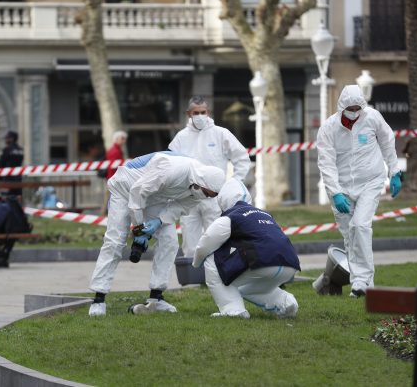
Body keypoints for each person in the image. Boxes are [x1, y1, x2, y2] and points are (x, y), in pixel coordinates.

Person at [89, 151, 226, 316]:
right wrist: (139, 229)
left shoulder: (202, 187)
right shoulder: (172, 170)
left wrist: (159, 221)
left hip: (153, 197)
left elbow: (179, 207)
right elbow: (137, 193)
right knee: (115, 241)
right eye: (205, 193)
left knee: (169, 240)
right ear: (201, 182)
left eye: (209, 196)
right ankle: (98, 300)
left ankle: (157, 298)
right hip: (125, 188)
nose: (204, 197)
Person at [317, 85, 401, 298]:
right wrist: (335, 192)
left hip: (370, 181)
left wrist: (395, 172)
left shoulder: (372, 117)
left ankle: (362, 282)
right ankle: (361, 285)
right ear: (341, 107)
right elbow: (326, 163)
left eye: (358, 108)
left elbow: (388, 142)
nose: (355, 112)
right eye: (351, 108)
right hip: (342, 187)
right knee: (350, 235)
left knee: (361, 225)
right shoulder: (328, 128)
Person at [193, 179, 300, 318]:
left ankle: (233, 311)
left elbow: (205, 244)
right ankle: (286, 304)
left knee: (211, 259)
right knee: (248, 289)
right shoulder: (264, 213)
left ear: (224, 201)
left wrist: (196, 263)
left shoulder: (231, 216)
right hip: (289, 264)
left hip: (263, 261)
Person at [169, 96, 250, 257]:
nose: (199, 116)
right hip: (188, 198)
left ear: (208, 112)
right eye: (195, 112)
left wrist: (233, 183)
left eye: (202, 112)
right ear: (188, 113)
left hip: (214, 198)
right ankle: (193, 276)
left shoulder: (220, 134)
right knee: (190, 241)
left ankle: (218, 276)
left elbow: (241, 158)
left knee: (216, 240)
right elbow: (172, 166)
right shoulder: (181, 137)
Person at [101, 131, 127, 215]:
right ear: (116, 139)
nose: (124, 140)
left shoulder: (115, 150)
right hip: (114, 177)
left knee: (110, 196)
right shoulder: (115, 151)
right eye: (122, 138)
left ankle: (105, 213)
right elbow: (112, 167)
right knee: (110, 196)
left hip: (113, 177)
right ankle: (104, 212)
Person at [0, 130, 24, 196]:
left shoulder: (7, 149)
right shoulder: (21, 149)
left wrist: (0, 178)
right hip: (18, 180)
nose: (6, 139)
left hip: (8, 179)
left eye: (8, 137)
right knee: (17, 200)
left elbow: (0, 164)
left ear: (12, 138)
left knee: (5, 200)